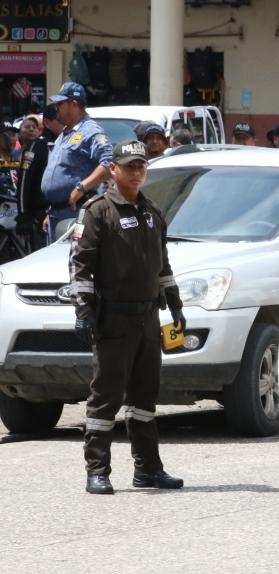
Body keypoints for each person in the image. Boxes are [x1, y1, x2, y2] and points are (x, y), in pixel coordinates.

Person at [69, 139, 185, 495]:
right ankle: (97, 471)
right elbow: (80, 266)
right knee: (105, 398)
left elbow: (161, 264)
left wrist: (175, 304)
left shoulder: (152, 211)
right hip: (113, 321)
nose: (136, 172)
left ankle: (148, 470)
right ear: (114, 170)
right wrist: (84, 311)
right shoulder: (97, 211)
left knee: (144, 400)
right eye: (129, 166)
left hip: (147, 320)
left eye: (141, 166)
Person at [41, 82, 112, 243]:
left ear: (73, 104)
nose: (56, 107)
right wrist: (51, 209)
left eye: (60, 103)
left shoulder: (90, 131)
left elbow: (108, 164)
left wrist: (81, 187)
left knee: (73, 261)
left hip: (76, 212)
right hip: (56, 213)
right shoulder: (65, 133)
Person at [17, 108, 54, 250]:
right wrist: (23, 216)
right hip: (38, 214)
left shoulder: (40, 147)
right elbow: (24, 183)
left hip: (44, 213)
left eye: (35, 127)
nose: (31, 129)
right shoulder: (30, 150)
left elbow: (24, 183)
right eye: (27, 127)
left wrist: (23, 216)